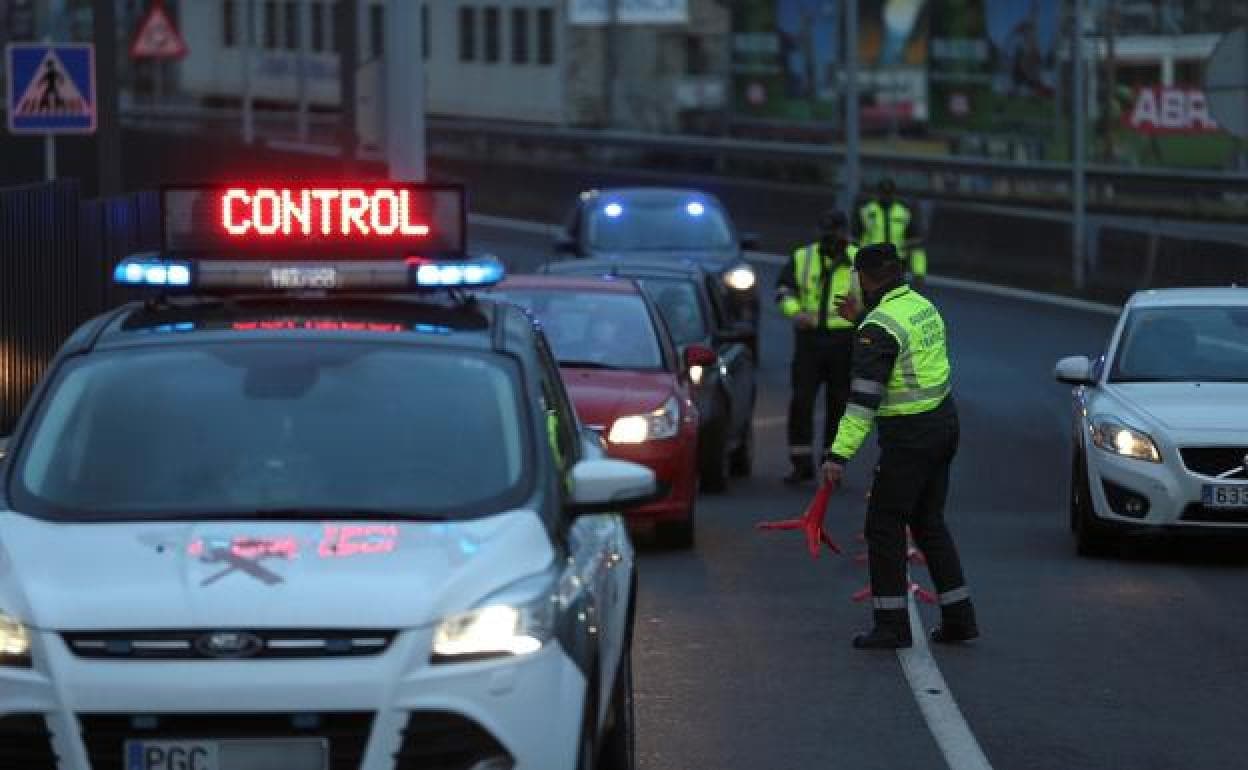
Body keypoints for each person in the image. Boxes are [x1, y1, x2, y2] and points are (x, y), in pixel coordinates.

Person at [822, 243, 977, 650]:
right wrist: (864, 324)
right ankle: (960, 619)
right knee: (929, 522)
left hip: (910, 437)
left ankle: (891, 625)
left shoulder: (877, 329)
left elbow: (862, 402)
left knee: (883, 525)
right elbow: (899, 351)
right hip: (944, 424)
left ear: (863, 277)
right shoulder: (919, 306)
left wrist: (838, 455)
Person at [774, 209, 860, 484]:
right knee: (802, 401)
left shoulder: (859, 261)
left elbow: (877, 298)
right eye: (826, 234)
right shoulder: (803, 257)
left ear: (845, 234)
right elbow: (783, 291)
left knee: (839, 404)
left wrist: (859, 316)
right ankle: (800, 463)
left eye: (835, 234)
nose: (830, 240)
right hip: (809, 341)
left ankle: (831, 464)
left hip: (844, 342)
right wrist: (795, 312)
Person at [856, 179, 928, 291]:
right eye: (883, 193)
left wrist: (919, 273)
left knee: (894, 296)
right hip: (871, 263)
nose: (886, 196)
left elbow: (915, 240)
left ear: (894, 194)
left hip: (896, 264)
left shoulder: (904, 212)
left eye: (889, 193)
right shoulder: (866, 210)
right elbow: (855, 238)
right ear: (878, 193)